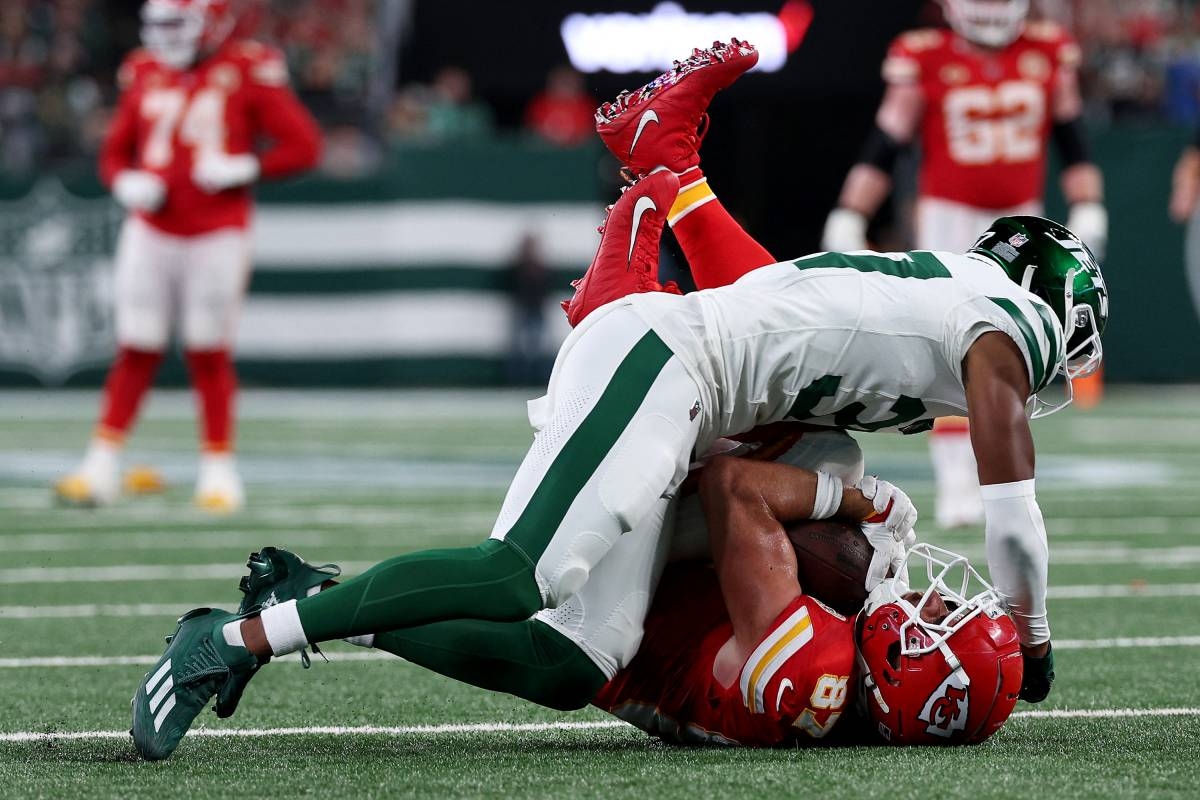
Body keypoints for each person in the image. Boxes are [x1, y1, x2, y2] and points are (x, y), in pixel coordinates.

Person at [129, 39, 1105, 759]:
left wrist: (867, 513)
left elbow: (779, 306)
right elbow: (1013, 522)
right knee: (520, 575)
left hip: (716, 379)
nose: (1041, 381)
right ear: (1047, 306)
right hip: (669, 360)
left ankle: (666, 173)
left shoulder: (934, 303)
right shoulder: (996, 331)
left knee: (572, 659)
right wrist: (1032, 635)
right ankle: (234, 637)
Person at [821, 0, 1107, 529]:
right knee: (951, 347)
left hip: (1023, 217)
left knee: (1017, 350)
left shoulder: (1046, 51)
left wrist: (1088, 201)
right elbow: (885, 144)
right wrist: (850, 210)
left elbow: (1072, 138)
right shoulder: (923, 55)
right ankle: (956, 481)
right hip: (949, 216)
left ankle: (1003, 481)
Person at [53, 0, 322, 512]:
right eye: (157, 24)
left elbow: (305, 146)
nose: (164, 35)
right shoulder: (143, 69)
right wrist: (124, 179)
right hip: (151, 229)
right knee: (136, 344)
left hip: (216, 231)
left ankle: (218, 469)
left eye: (177, 23)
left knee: (207, 348)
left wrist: (247, 166)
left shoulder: (247, 67)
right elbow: (114, 153)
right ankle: (101, 464)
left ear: (212, 22)